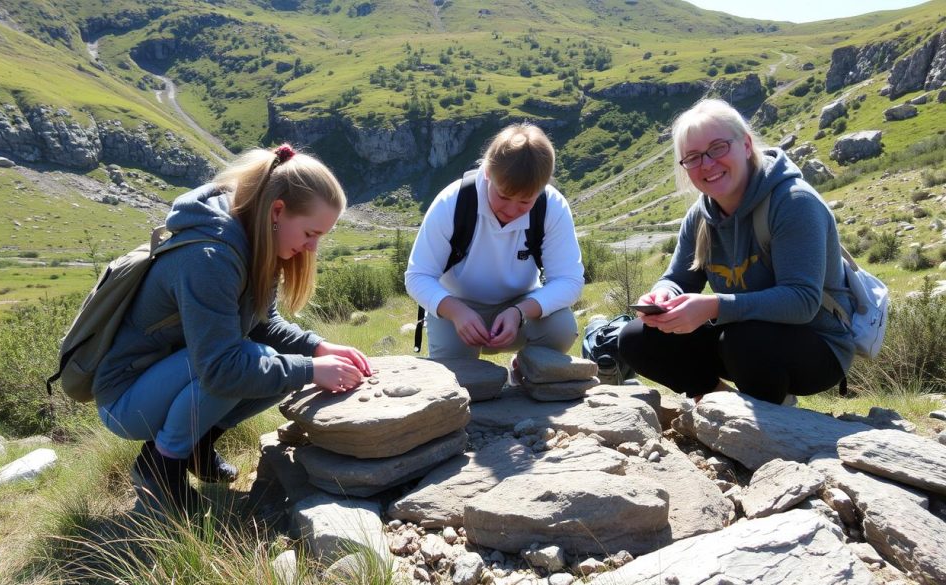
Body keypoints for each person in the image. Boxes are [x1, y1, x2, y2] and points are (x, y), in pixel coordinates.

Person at [94, 144, 372, 515]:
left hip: (172, 374)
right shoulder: (210, 257)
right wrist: (309, 369)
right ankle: (160, 468)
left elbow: (263, 323)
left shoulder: (257, 239)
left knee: (272, 364)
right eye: (310, 232)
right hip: (126, 399)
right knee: (252, 362)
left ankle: (198, 442)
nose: (313, 248)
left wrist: (317, 347)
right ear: (277, 211)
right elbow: (222, 367)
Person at [618, 98, 854, 405]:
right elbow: (678, 278)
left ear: (745, 145)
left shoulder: (794, 203)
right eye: (693, 157)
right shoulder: (701, 217)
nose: (706, 164)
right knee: (637, 338)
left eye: (718, 148)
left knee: (744, 340)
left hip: (818, 346)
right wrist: (662, 295)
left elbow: (803, 300)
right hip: (739, 339)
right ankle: (722, 405)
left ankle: (774, 415)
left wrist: (714, 306)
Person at [405, 123, 584, 362]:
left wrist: (519, 312)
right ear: (487, 173)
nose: (511, 210)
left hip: (521, 308)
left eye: (525, 202)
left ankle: (526, 373)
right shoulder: (452, 202)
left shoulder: (551, 206)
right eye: (503, 196)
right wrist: (456, 312)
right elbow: (417, 276)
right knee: (459, 377)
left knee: (561, 328)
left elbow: (569, 280)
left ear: (542, 189)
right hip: (457, 310)